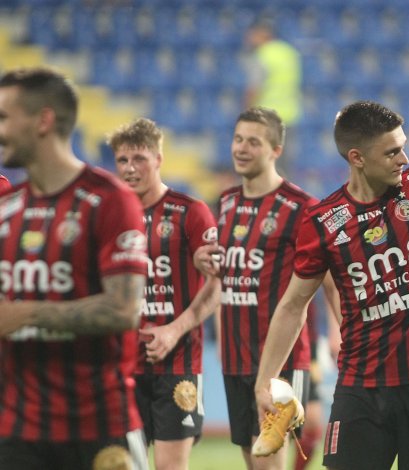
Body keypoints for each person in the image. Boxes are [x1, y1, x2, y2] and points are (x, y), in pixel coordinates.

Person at [255, 100, 409, 470]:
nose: (404, 158)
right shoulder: (323, 222)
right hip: (360, 389)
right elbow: (293, 305)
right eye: (391, 152)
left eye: (403, 146)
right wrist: (264, 383)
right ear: (357, 157)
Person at [0, 66, 149, 470]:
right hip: (18, 434)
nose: (0, 131)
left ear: (43, 121)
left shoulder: (108, 200)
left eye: (4, 118)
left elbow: (123, 310)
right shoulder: (8, 211)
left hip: (99, 429)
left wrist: (27, 313)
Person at [195, 106, 339, 470]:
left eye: (253, 142)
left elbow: (331, 281)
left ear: (275, 150)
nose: (241, 148)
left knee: (269, 463)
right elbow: (221, 277)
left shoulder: (303, 208)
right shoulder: (225, 203)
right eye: (238, 139)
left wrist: (340, 331)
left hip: (282, 361)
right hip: (234, 356)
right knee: (251, 458)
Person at [108, 117, 220, 470]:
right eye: (122, 160)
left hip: (178, 366)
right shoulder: (109, 216)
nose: (129, 168)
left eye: (138, 158)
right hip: (122, 367)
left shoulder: (191, 212)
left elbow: (218, 286)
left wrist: (174, 329)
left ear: (158, 158)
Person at [243, 20, 302, 177]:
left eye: (252, 34)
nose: (249, 38)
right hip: (289, 116)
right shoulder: (289, 52)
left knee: (266, 164)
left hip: (267, 119)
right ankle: (287, 199)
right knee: (284, 164)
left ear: (263, 33)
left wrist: (246, 111)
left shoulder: (262, 55)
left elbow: (254, 88)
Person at [292, 301, 341, 470]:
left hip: (305, 341)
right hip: (271, 338)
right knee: (274, 422)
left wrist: (335, 329)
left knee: (312, 423)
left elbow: (330, 283)